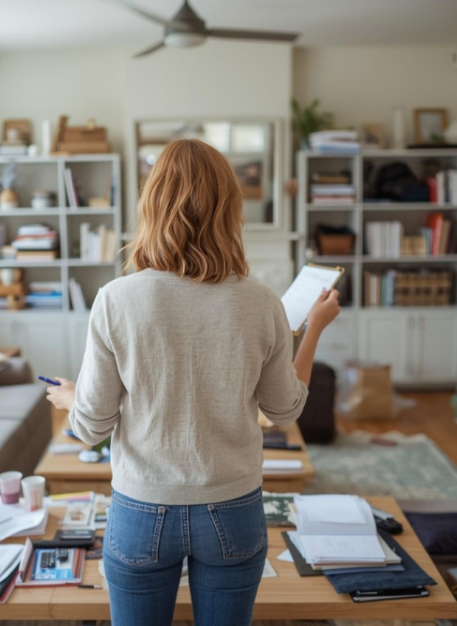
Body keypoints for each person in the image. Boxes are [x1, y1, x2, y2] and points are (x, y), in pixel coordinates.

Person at [45, 138, 340, 626]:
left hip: (142, 510)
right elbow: (285, 409)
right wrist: (314, 330)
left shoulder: (116, 300)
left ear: (152, 206)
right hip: (233, 507)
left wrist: (74, 396)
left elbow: (91, 427)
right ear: (228, 210)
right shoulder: (260, 301)